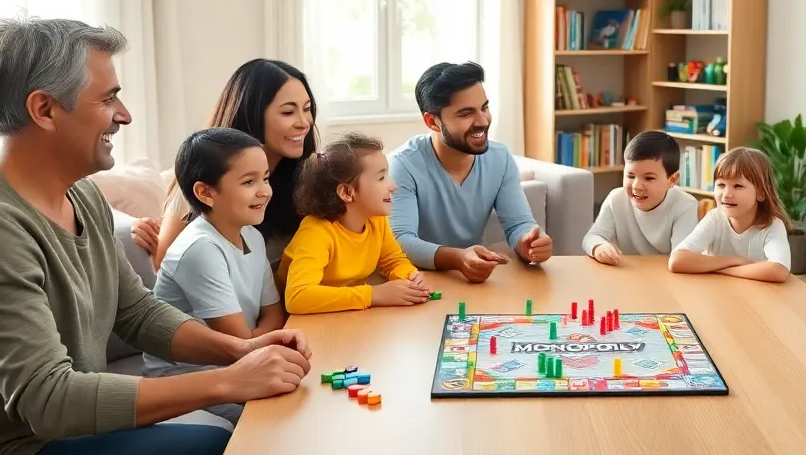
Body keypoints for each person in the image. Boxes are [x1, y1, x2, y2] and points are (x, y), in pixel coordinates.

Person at [0, 17, 311, 455]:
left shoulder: (83, 197)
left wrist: (239, 349)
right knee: (209, 452)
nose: (124, 115)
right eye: (110, 99)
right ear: (44, 109)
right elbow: (49, 401)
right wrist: (226, 381)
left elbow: (137, 313)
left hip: (58, 444)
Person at [142, 128, 289, 425]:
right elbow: (237, 341)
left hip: (239, 363)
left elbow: (274, 314)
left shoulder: (252, 235)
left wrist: (256, 339)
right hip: (190, 380)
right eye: (249, 182)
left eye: (265, 178)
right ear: (205, 192)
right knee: (275, 422)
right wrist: (259, 339)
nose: (264, 191)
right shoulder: (199, 249)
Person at [133, 59, 318, 271]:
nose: (304, 122)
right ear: (252, 114)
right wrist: (143, 234)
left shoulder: (307, 180)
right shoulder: (202, 174)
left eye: (307, 109)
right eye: (288, 112)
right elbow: (163, 263)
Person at [389, 61, 552, 282]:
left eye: (484, 107)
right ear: (432, 122)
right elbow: (400, 241)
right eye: (466, 113)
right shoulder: (403, 165)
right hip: (415, 281)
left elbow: (518, 224)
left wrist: (529, 242)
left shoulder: (499, 157)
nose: (483, 121)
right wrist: (457, 258)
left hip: (472, 282)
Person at [278, 133, 430, 313]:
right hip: (301, 323)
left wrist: (409, 276)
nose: (393, 186)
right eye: (381, 178)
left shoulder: (376, 221)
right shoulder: (315, 233)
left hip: (343, 315)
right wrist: (373, 295)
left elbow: (393, 261)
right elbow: (297, 297)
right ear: (347, 193)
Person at [668, 147, 791, 283]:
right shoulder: (714, 219)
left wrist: (722, 270)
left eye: (738, 186)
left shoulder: (772, 225)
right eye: (721, 185)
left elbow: (779, 270)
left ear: (761, 193)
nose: (726, 194)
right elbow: (676, 260)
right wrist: (734, 261)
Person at [583, 131, 698, 264]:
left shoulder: (685, 205)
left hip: (667, 276)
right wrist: (599, 247)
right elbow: (592, 236)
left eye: (649, 178)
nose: (636, 186)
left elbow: (681, 258)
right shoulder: (616, 199)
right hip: (629, 275)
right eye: (630, 176)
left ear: (672, 179)